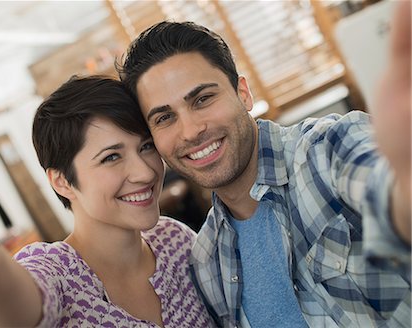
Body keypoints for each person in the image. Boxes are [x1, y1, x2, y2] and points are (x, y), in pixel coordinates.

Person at [118, 1, 411, 327]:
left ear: (243, 93)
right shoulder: (207, 263)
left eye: (203, 99)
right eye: (165, 117)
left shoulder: (328, 150)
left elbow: (390, 195)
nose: (190, 131)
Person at [0, 76, 215, 327]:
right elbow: (23, 312)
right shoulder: (58, 274)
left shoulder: (174, 239)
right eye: (111, 157)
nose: (145, 173)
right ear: (62, 182)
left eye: (146, 146)